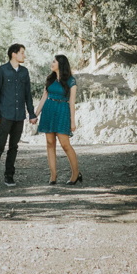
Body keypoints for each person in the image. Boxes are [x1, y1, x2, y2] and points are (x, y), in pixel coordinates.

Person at [0, 43, 37, 187]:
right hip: (5, 115)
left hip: (19, 116)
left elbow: (28, 95)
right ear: (14, 54)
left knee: (13, 147)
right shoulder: (1, 71)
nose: (24, 55)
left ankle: (9, 176)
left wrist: (32, 114)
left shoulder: (24, 72)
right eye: (22, 53)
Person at [34, 53, 81, 185]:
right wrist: (35, 114)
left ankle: (76, 173)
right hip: (49, 111)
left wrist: (72, 121)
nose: (52, 63)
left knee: (65, 145)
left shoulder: (71, 81)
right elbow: (44, 98)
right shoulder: (50, 79)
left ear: (61, 64)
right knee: (50, 143)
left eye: (54, 61)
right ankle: (53, 176)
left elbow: (72, 103)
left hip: (62, 112)